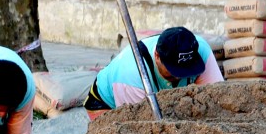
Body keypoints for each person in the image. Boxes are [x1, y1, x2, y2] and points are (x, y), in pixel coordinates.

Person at [84, 26, 223, 118]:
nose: (180, 77)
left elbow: (217, 96)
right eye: (174, 71)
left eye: (188, 70)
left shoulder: (201, 50)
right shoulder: (131, 75)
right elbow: (145, 125)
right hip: (106, 104)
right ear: (157, 55)